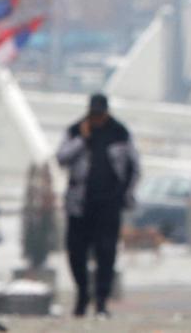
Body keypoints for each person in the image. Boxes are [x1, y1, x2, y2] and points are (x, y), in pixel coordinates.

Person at [55, 93, 140, 318]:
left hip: (109, 205)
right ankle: (82, 295)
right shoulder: (75, 130)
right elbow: (61, 158)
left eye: (100, 115)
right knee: (76, 253)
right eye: (94, 114)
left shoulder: (120, 133)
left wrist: (126, 195)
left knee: (106, 253)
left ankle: (101, 301)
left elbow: (134, 167)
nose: (97, 119)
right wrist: (83, 140)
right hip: (80, 206)